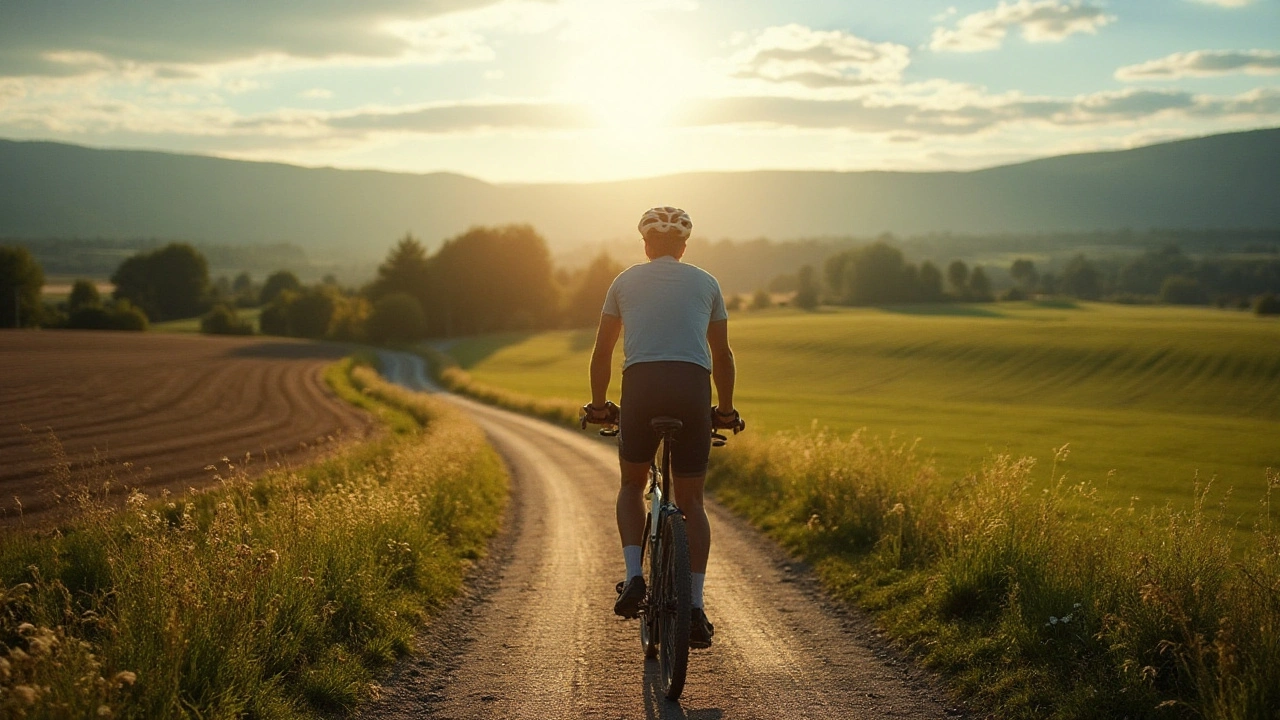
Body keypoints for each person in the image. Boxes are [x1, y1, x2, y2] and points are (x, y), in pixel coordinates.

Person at [582, 206, 743, 650]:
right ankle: (694, 606)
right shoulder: (707, 282)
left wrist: (599, 406)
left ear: (646, 246)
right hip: (692, 389)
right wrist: (724, 410)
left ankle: (635, 575)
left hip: (642, 388)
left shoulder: (624, 281)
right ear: (684, 247)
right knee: (692, 501)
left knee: (632, 484)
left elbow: (601, 353)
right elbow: (723, 357)